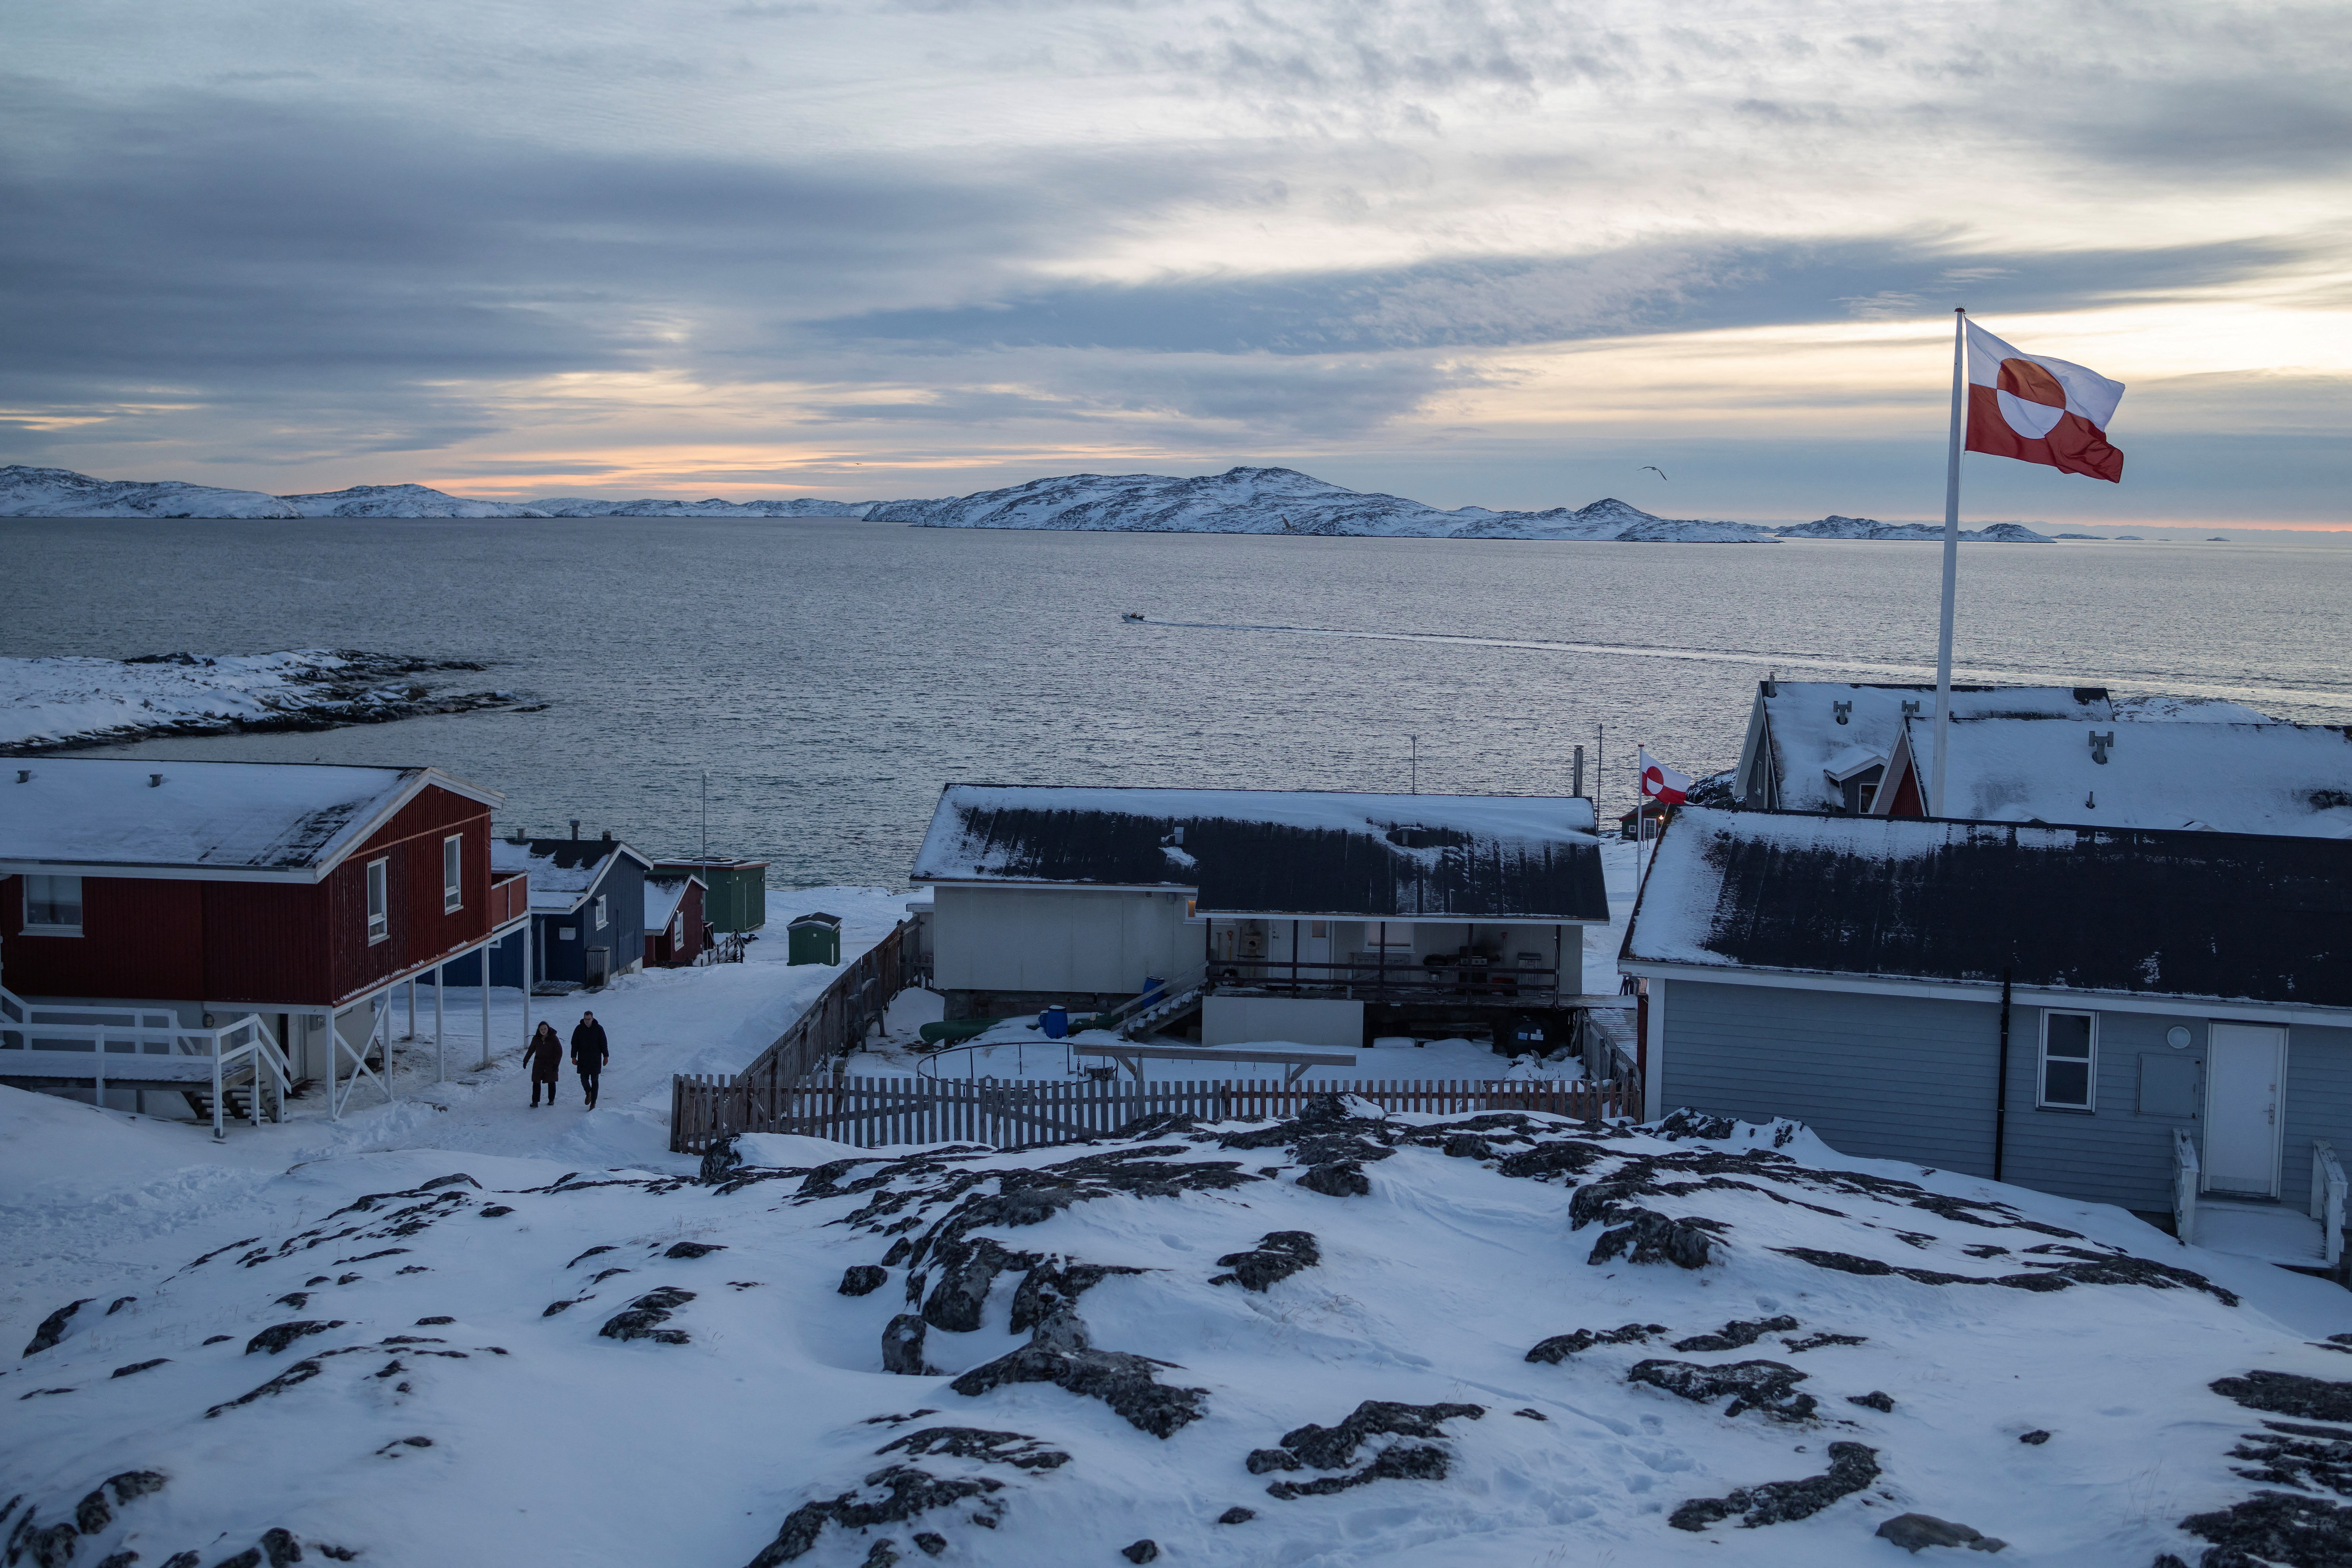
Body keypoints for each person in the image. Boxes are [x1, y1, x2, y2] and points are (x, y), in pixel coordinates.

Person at [571, 1011, 610, 1110]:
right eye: (585, 1019)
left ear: (592, 1018)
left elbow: (604, 1043)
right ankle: (589, 1092)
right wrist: (573, 1057)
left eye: (589, 1019)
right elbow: (574, 1043)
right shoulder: (579, 1029)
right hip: (583, 1059)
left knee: (595, 1080)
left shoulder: (599, 1029)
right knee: (583, 1079)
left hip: (595, 1059)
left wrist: (606, 1056)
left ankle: (593, 1103)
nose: (587, 1021)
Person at [524, 1022, 563, 1107]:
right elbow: (531, 1050)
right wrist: (525, 1060)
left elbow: (559, 1052)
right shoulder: (536, 1039)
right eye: (541, 1029)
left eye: (545, 1029)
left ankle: (551, 1100)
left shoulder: (554, 1038)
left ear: (548, 1029)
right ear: (539, 1030)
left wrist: (556, 1064)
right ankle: (535, 1102)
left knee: (552, 1081)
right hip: (539, 1063)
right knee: (536, 1081)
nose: (543, 1031)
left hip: (551, 1063)